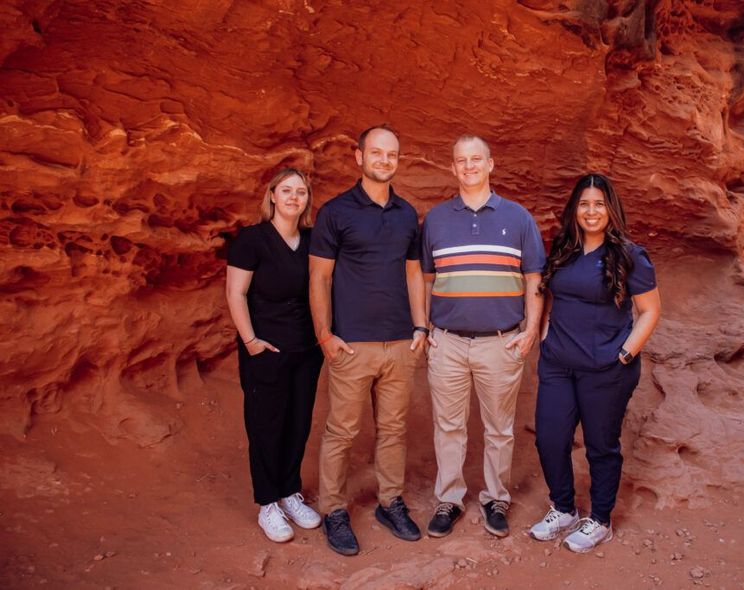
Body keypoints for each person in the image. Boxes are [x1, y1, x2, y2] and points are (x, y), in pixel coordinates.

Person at [309, 124, 428, 556]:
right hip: (351, 343)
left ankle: (390, 501)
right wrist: (325, 335)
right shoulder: (336, 212)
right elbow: (319, 276)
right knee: (341, 430)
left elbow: (414, 273)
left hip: (399, 342)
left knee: (394, 429)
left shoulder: (405, 213)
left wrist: (421, 327)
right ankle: (334, 510)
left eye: (391, 154)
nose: (384, 160)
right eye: (375, 153)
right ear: (358, 157)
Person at [528, 172, 661, 553]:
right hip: (558, 364)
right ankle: (564, 508)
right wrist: (545, 335)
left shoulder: (629, 255)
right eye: (584, 204)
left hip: (606, 368)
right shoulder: (563, 249)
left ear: (610, 209)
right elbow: (554, 296)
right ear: (575, 210)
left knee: (601, 445)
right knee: (551, 439)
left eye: (598, 204)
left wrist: (625, 354)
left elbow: (650, 311)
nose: (591, 211)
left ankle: (600, 519)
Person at [421, 135, 545, 538]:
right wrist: (424, 327)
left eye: (476, 159)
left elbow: (534, 279)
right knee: (449, 426)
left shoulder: (519, 218)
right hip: (448, 341)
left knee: (498, 428)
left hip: (501, 340)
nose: (469, 166)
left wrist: (529, 332)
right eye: (461, 160)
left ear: (491, 164)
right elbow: (425, 278)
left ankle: (495, 499)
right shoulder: (436, 220)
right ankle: (449, 500)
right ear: (453, 168)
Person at [225, 168, 323, 543]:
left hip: (305, 348)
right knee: (266, 424)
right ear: (272, 196)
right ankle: (268, 503)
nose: (294, 197)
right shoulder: (252, 239)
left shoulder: (312, 240)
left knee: (298, 422)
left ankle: (289, 492)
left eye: (301, 192)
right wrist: (251, 342)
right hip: (264, 348)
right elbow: (236, 293)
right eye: (287, 191)